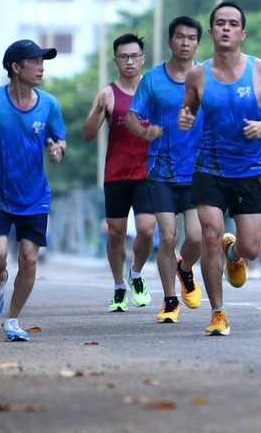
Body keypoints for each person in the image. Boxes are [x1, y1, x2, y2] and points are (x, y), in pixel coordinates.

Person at [179, 1, 261, 336]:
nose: (226, 28)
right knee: (209, 234)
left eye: (232, 23)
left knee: (253, 248)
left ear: (243, 32)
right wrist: (185, 117)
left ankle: (234, 250)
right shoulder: (198, 74)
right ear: (211, 32)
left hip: (250, 168)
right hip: (209, 166)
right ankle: (218, 312)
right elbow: (189, 108)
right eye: (220, 23)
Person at [0, 39, 67, 342]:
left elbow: (60, 139)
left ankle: (12, 319)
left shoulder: (49, 104)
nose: (41, 67)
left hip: (35, 195)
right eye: (34, 62)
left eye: (43, 62)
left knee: (30, 259)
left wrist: (58, 150)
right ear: (16, 67)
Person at [125, 16, 204, 325]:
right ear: (170, 41)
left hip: (198, 170)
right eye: (180, 37)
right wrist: (144, 132)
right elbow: (133, 116)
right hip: (161, 170)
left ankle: (185, 270)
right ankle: (170, 301)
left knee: (196, 238)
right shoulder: (153, 79)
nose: (185, 42)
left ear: (198, 43)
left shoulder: (206, 77)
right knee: (167, 238)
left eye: (191, 38)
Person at [81, 32, 157, 312]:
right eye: (123, 56)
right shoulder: (106, 94)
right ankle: (118, 285)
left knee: (147, 231)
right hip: (116, 173)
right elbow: (88, 135)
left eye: (134, 56)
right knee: (116, 232)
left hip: (148, 173)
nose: (129, 61)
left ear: (142, 59)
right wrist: (98, 110)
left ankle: (136, 272)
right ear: (115, 60)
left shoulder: (154, 90)